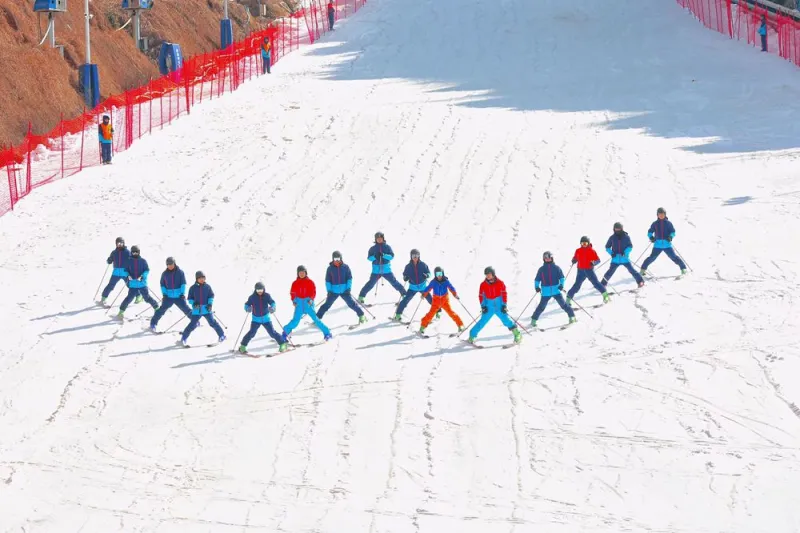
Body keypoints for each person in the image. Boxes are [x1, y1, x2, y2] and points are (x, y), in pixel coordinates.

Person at [468, 267, 521, 344]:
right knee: (482, 321)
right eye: (486, 275)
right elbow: (481, 296)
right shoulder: (483, 284)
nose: (488, 276)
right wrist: (483, 306)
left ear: (493, 274)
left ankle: (517, 334)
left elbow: (504, 294)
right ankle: (472, 336)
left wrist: (504, 305)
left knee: (506, 320)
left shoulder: (500, 283)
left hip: (499, 305)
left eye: (489, 274)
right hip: (489, 306)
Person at [281, 265, 332, 342]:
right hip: (299, 304)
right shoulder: (295, 283)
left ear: (306, 273)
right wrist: (294, 300)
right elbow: (293, 293)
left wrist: (311, 299)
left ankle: (327, 333)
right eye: (300, 273)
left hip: (308, 303)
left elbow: (313, 292)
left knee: (316, 319)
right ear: (297, 274)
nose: (301, 274)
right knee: (295, 321)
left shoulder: (310, 282)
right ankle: (285, 333)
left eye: (303, 272)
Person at [316, 251, 367, 325]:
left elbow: (349, 279)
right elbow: (328, 281)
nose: (337, 261)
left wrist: (348, 288)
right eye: (335, 259)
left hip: (344, 291)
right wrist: (329, 291)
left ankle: (361, 315)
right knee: (326, 305)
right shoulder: (330, 268)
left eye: (338, 258)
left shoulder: (345, 267)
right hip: (333, 291)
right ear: (332, 259)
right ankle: (317, 318)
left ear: (341, 258)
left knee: (352, 304)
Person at [357, 232, 407, 304]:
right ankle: (361, 296)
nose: (379, 240)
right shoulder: (373, 248)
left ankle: (404, 294)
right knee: (370, 284)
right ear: (375, 239)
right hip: (376, 271)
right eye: (378, 239)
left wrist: (384, 255)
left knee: (394, 282)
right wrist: (375, 256)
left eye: (380, 238)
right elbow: (369, 258)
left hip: (386, 270)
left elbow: (391, 257)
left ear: (383, 239)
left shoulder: (387, 247)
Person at [239, 282, 288, 354]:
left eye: (261, 290)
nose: (260, 292)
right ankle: (242, 346)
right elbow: (246, 304)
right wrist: (247, 308)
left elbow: (272, 302)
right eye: (258, 290)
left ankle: (283, 344)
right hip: (256, 319)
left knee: (272, 333)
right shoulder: (252, 297)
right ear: (255, 290)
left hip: (266, 319)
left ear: (264, 289)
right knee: (251, 333)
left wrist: (273, 307)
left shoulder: (267, 296)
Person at [531, 251, 576, 328]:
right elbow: (537, 279)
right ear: (543, 259)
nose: (547, 260)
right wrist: (537, 287)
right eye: (546, 258)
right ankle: (533, 320)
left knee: (564, 305)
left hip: (556, 291)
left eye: (549, 258)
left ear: (552, 258)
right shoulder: (541, 269)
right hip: (545, 292)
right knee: (541, 307)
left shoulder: (556, 268)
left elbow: (562, 278)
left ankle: (572, 316)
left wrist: (561, 285)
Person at [180, 271, 226, 346]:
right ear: (196, 279)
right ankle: (184, 338)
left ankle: (222, 335)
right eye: (200, 278)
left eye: (203, 278)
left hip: (206, 309)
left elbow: (211, 296)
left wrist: (210, 304)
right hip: (197, 310)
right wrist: (194, 303)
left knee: (213, 323)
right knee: (192, 324)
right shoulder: (193, 288)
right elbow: (190, 298)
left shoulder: (207, 287)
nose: (202, 280)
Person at [640, 207, 687, 276]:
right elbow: (649, 232)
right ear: (657, 215)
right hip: (657, 245)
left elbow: (673, 232)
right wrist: (651, 237)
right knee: (652, 258)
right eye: (659, 214)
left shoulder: (668, 223)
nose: (661, 215)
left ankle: (683, 269)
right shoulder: (655, 223)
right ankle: (642, 270)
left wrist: (670, 237)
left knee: (673, 257)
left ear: (665, 214)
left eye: (662, 214)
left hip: (667, 244)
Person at [149, 257, 192, 332]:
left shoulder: (180, 272)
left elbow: (183, 283)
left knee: (186, 309)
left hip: (179, 297)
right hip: (168, 297)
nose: (169, 266)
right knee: (161, 310)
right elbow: (162, 285)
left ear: (174, 263)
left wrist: (182, 293)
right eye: (168, 264)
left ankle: (195, 321)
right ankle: (153, 324)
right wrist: (164, 294)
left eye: (171, 264)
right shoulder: (164, 274)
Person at [116, 245, 159, 319]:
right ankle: (121, 312)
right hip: (133, 284)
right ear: (131, 253)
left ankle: (157, 308)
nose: (135, 254)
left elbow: (147, 270)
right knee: (129, 299)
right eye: (133, 252)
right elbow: (125, 270)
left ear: (139, 252)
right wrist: (128, 276)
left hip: (142, 284)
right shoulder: (129, 261)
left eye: (136, 252)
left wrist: (142, 276)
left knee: (147, 298)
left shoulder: (143, 261)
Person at [419, 267, 464, 335]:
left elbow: (451, 288)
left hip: (445, 301)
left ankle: (460, 325)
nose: (439, 276)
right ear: (435, 274)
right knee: (430, 314)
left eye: (440, 273)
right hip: (436, 301)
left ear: (443, 273)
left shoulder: (446, 281)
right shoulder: (433, 282)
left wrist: (455, 294)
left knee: (451, 313)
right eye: (437, 274)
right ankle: (423, 326)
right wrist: (424, 294)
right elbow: (428, 288)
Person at [566, 236, 610, 306]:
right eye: (582, 243)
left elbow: (598, 260)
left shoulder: (592, 251)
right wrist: (574, 260)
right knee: (577, 285)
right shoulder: (578, 250)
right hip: (580, 271)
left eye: (585, 243)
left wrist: (593, 263)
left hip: (589, 270)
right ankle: (568, 298)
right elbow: (575, 257)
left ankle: (605, 295)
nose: (584, 245)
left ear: (588, 243)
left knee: (596, 283)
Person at [394, 248, 433, 321]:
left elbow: (429, 273)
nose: (415, 257)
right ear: (411, 256)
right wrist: (405, 277)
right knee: (405, 300)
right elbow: (405, 275)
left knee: (430, 299)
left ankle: (438, 311)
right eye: (413, 255)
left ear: (419, 256)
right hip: (412, 288)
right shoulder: (408, 266)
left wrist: (426, 275)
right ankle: (398, 314)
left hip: (423, 287)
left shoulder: (423, 265)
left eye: (417, 255)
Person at [602, 222, 644, 287]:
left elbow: (630, 246)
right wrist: (612, 253)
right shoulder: (612, 237)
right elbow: (607, 247)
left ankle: (640, 281)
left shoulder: (626, 237)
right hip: (615, 259)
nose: (617, 230)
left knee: (632, 270)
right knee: (610, 272)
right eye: (616, 229)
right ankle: (603, 284)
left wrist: (625, 253)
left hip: (624, 258)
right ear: (614, 229)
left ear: (621, 229)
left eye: (619, 229)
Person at [100, 237, 129, 305]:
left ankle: (138, 296)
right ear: (116, 244)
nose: (120, 245)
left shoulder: (127, 252)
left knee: (131, 285)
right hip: (116, 272)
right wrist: (109, 260)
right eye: (118, 243)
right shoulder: (114, 252)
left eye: (121, 243)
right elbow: (109, 260)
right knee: (111, 285)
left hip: (125, 272)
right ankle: (103, 298)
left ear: (123, 243)